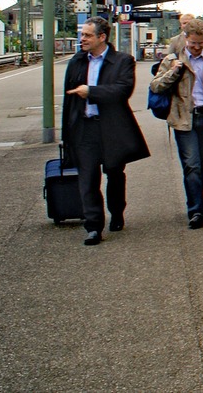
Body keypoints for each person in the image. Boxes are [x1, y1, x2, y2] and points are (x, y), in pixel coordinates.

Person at [61, 16, 150, 245]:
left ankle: (117, 211)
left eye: (87, 35)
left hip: (111, 128)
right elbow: (68, 101)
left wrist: (91, 91)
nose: (82, 39)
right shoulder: (77, 62)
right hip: (84, 129)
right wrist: (67, 134)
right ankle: (93, 227)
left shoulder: (123, 61)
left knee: (114, 173)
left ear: (102, 37)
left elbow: (122, 90)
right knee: (87, 178)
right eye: (82, 35)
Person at [150, 18, 203, 229]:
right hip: (183, 118)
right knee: (191, 165)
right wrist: (174, 71)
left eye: (200, 44)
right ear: (185, 39)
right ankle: (196, 210)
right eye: (192, 43)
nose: (196, 48)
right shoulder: (172, 60)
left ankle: (196, 198)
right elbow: (156, 86)